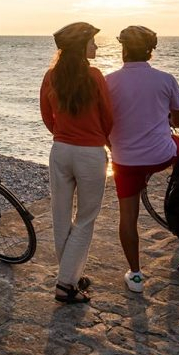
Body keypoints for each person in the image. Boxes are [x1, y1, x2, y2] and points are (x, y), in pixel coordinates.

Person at [105, 25, 179, 294]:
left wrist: (112, 144)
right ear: (150, 51)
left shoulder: (109, 82)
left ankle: (136, 275)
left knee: (128, 217)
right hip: (160, 155)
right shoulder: (166, 79)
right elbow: (177, 120)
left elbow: (104, 123)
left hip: (125, 160)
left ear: (124, 49)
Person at [40, 22, 113, 304]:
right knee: (84, 219)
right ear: (80, 47)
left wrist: (63, 135)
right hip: (89, 153)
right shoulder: (94, 76)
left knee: (60, 216)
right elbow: (108, 116)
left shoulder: (51, 77)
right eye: (92, 42)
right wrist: (102, 139)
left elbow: (47, 116)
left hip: (60, 150)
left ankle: (70, 275)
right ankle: (65, 284)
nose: (95, 47)